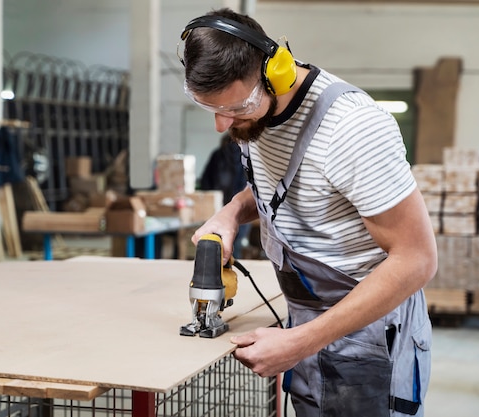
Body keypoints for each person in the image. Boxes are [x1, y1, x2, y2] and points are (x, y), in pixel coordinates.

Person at [178, 7, 437, 417]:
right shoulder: (254, 117)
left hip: (368, 331)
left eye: (237, 108)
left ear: (274, 72)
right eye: (210, 108)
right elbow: (281, 186)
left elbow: (417, 259)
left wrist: (301, 342)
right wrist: (230, 212)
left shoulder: (352, 129)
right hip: (308, 321)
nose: (223, 124)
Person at [199, 132, 251, 258]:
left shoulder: (217, 155)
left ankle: (215, 270)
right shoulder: (247, 156)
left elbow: (205, 181)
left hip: (218, 209)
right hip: (241, 207)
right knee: (234, 245)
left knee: (214, 244)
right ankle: (231, 268)